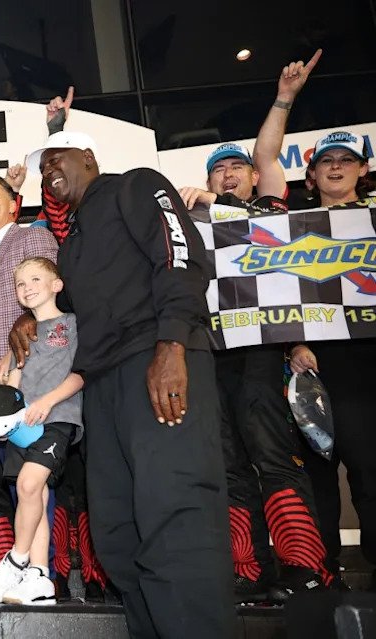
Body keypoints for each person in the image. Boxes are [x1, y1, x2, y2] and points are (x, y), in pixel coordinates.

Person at [8, 129, 233, 637]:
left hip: (157, 359)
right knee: (116, 530)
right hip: (101, 383)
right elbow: (78, 304)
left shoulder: (136, 185)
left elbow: (179, 254)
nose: (49, 172)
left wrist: (173, 342)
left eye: (57, 159)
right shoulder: (74, 242)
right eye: (43, 168)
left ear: (88, 157)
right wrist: (32, 316)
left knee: (175, 510)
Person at [176, 50, 332, 603]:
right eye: (217, 169)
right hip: (210, 351)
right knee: (228, 464)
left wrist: (284, 98)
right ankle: (248, 568)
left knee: (272, 456)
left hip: (261, 349)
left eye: (236, 167)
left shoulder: (269, 208)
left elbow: (268, 151)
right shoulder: (194, 223)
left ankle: (305, 567)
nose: (227, 174)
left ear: (254, 176)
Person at [285, 127, 376, 589]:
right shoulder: (290, 225)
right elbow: (275, 294)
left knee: (370, 472)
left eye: (346, 160)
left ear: (363, 169)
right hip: (310, 369)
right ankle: (323, 571)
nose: (336, 167)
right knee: (315, 480)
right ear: (312, 174)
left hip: (365, 368)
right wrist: (294, 345)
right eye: (326, 161)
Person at [0, 257, 83, 605]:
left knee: (28, 484)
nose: (28, 288)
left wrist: (48, 402)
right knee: (33, 495)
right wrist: (4, 411)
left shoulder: (72, 324)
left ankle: (16, 559)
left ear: (57, 285)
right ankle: (39, 574)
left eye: (36, 279)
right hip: (24, 426)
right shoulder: (21, 334)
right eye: (21, 284)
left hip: (57, 419)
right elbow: (13, 386)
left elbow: (81, 374)